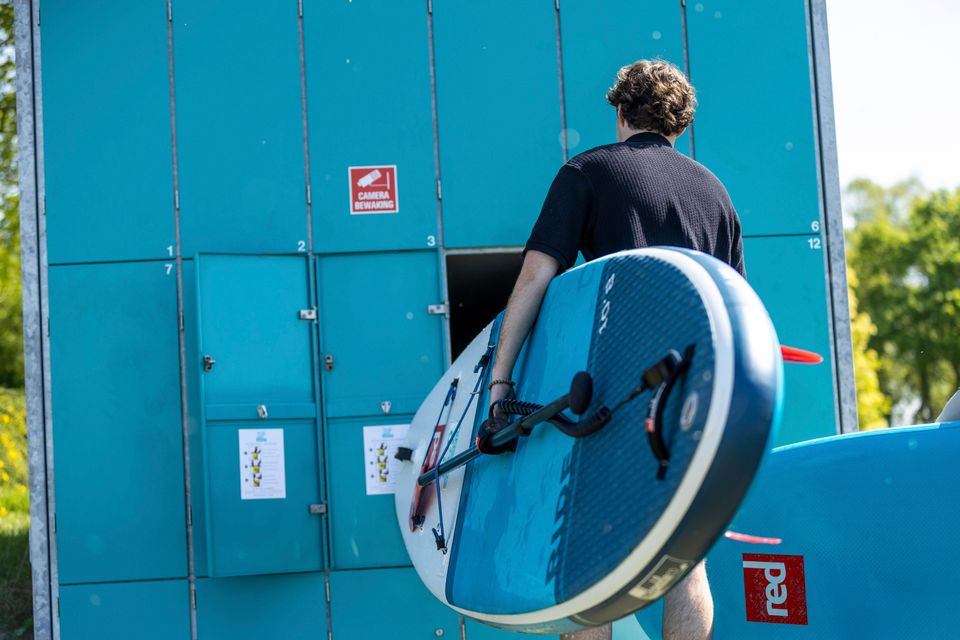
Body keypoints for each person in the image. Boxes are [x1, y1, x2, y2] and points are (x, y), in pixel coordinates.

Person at [487, 60, 745, 640]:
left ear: (619, 111)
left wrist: (501, 381)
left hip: (618, 389)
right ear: (678, 125)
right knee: (683, 558)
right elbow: (735, 312)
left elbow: (535, 278)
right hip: (697, 398)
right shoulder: (716, 195)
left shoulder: (588, 171)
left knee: (587, 564)